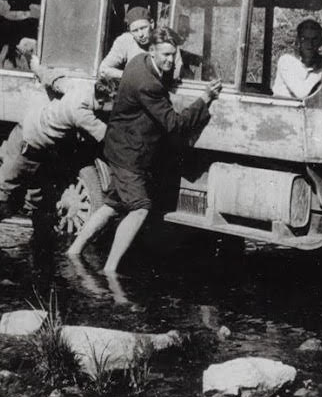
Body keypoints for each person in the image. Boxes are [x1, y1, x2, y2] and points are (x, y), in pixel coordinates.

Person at [68, 27, 222, 273]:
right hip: (130, 154)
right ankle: (110, 270)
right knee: (140, 209)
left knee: (111, 206)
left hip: (119, 147)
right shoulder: (148, 83)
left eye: (174, 55)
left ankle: (74, 251)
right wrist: (204, 99)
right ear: (152, 51)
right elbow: (174, 124)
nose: (170, 60)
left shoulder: (137, 62)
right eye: (165, 55)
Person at [0, 56, 118, 243]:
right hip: (27, 147)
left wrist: (37, 66)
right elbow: (109, 138)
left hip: (28, 137)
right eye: (113, 103)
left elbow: (53, 79)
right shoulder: (81, 113)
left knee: (21, 202)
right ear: (104, 100)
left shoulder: (80, 88)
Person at [271, 19, 322, 99]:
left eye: (314, 39)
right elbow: (301, 92)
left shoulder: (321, 62)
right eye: (305, 39)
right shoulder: (287, 61)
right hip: (282, 109)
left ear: (320, 41)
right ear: (298, 40)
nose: (309, 44)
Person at [98, 6, 154, 80]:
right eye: (135, 31)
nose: (140, 34)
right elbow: (103, 70)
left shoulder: (161, 40)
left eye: (143, 28)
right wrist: (131, 76)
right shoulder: (126, 40)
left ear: (152, 24)